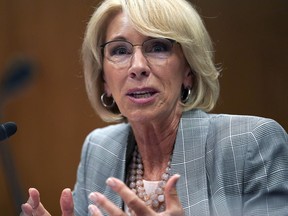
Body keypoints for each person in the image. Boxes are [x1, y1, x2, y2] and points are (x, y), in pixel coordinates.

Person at [20, 0, 288, 215]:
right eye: (120, 51)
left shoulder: (251, 144)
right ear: (105, 81)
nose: (137, 67)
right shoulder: (99, 150)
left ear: (189, 70)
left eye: (158, 47)